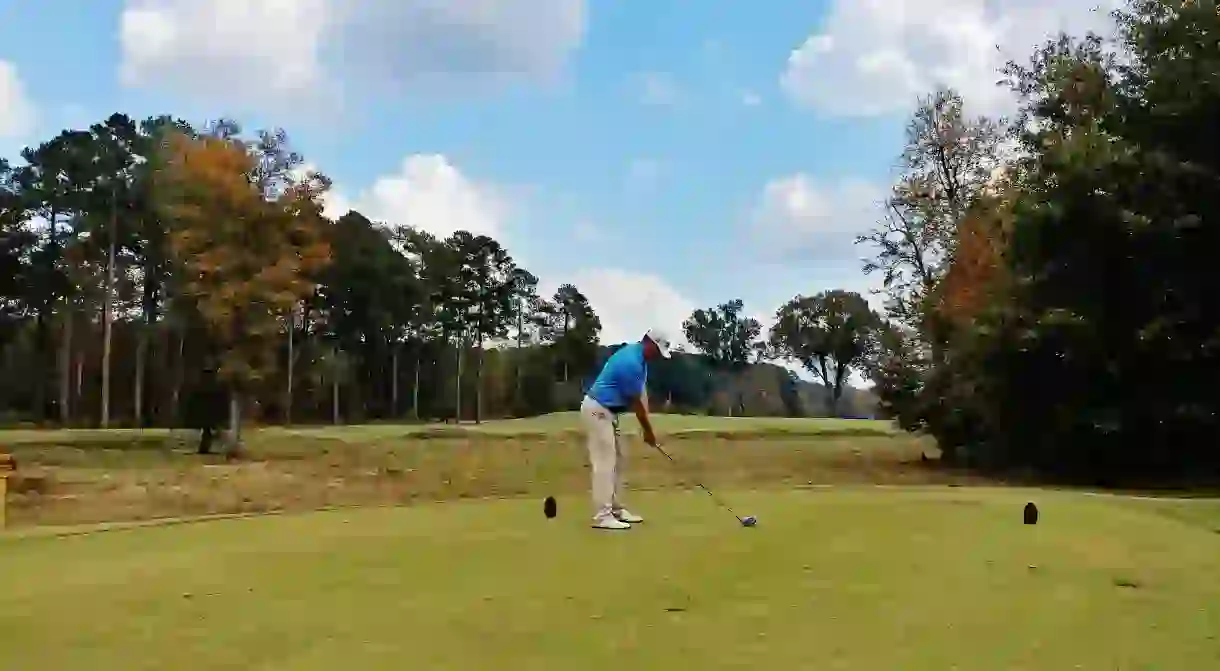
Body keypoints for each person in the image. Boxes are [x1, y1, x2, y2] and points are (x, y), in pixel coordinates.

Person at [580, 327, 672, 530]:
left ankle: (616, 509)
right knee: (605, 462)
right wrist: (647, 431)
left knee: (618, 460)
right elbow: (636, 404)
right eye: (658, 351)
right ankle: (603, 516)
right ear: (649, 343)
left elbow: (641, 394)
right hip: (597, 410)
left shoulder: (640, 360)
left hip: (608, 412)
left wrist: (646, 427)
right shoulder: (631, 363)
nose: (658, 357)